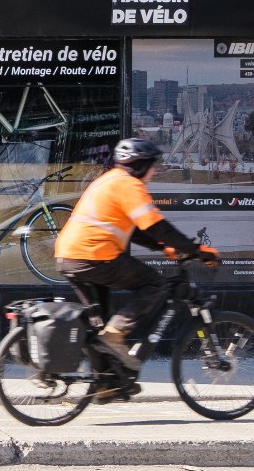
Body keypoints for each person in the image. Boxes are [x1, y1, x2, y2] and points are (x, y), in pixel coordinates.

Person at [53, 138, 217, 370]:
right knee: (154, 283)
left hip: (69, 257)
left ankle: (107, 383)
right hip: (95, 255)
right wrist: (196, 250)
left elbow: (136, 231)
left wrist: (163, 248)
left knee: (101, 326)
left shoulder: (108, 180)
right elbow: (156, 226)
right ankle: (118, 331)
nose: (155, 170)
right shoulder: (129, 185)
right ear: (140, 165)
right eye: (152, 165)